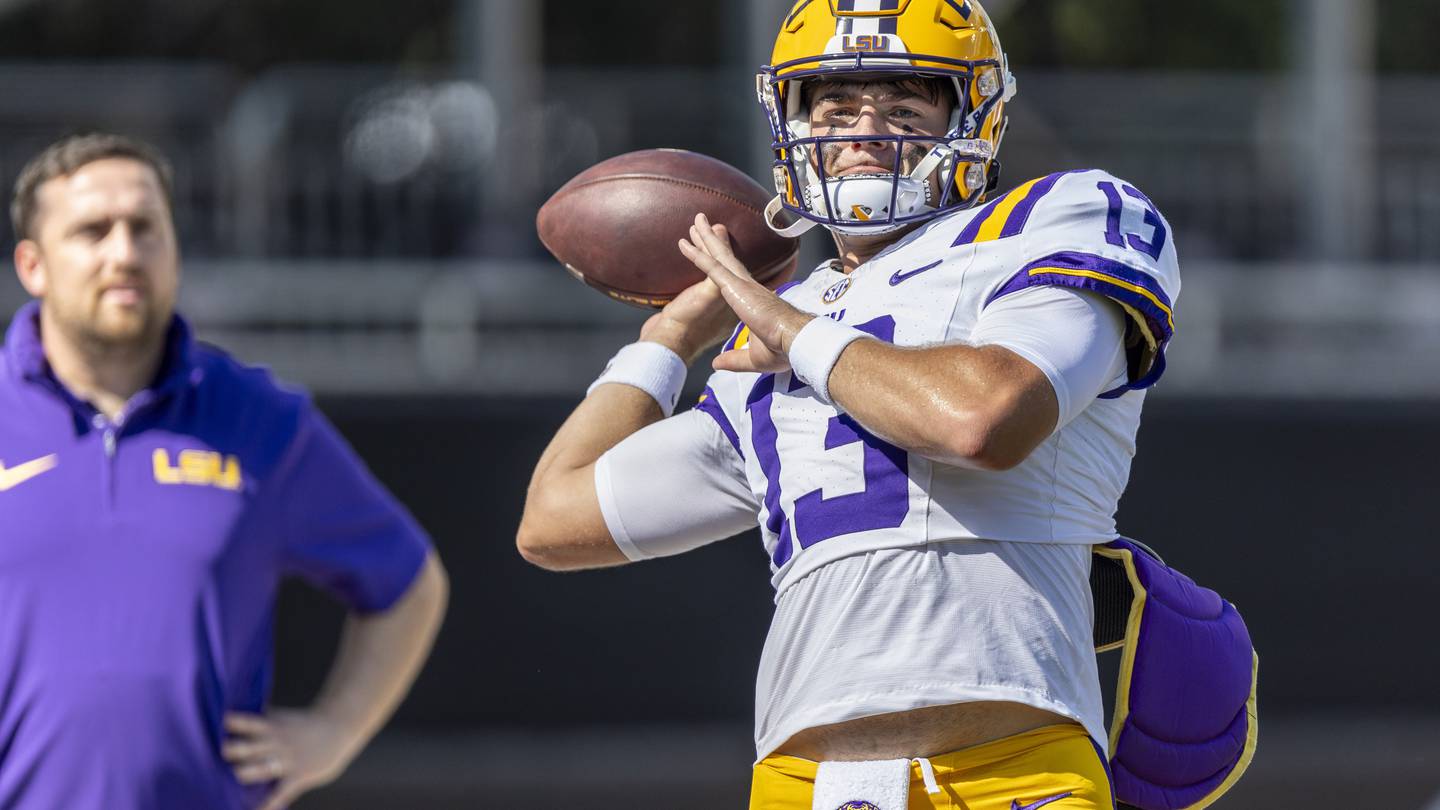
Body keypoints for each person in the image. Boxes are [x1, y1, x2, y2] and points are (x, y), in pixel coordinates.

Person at [518, 2, 1181, 808]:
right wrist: (669, 337)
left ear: (976, 116)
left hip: (1012, 773)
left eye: (904, 105)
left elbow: (981, 422)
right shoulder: (759, 347)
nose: (865, 129)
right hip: (802, 786)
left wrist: (793, 330)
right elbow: (553, 520)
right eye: (833, 106)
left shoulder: (1054, 218)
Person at [0, 132, 448, 810]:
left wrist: (333, 734)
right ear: (32, 265)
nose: (124, 253)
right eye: (93, 231)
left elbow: (410, 586)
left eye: (145, 228)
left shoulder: (260, 421)